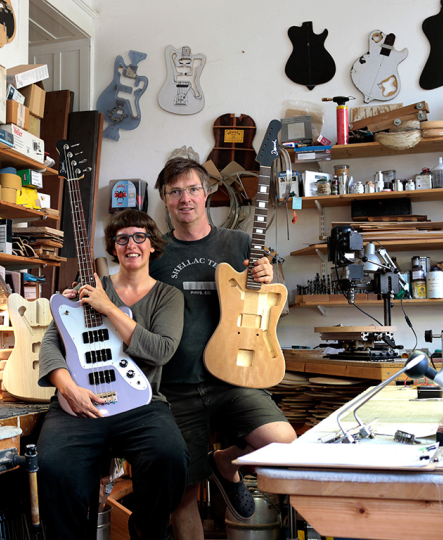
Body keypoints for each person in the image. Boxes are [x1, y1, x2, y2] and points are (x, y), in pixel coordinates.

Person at [148, 157, 297, 539]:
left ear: (208, 192)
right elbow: (126, 298)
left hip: (233, 376)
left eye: (193, 189)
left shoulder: (239, 243)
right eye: (175, 191)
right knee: (184, 495)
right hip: (175, 384)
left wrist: (267, 277)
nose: (185, 198)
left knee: (283, 445)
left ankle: (225, 461)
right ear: (165, 199)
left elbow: (272, 301)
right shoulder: (155, 255)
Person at [37, 209, 189, 540]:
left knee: (170, 457)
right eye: (122, 238)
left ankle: (146, 531)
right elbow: (50, 345)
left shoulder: (168, 296)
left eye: (139, 237)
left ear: (151, 245)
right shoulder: (87, 288)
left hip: (141, 402)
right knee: (53, 466)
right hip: (79, 402)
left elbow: (161, 350)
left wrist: (108, 307)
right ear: (114, 246)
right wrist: (67, 389)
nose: (131, 244)